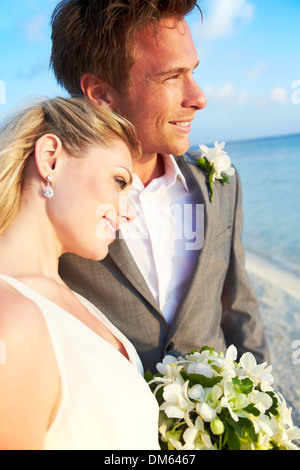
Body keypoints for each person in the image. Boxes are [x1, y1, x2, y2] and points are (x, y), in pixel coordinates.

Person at [51, 0, 270, 373]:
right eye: (171, 77)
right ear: (101, 94)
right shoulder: (53, 196)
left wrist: (266, 405)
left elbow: (239, 306)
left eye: (193, 72)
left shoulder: (220, 181)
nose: (198, 98)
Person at [0, 97, 160, 450]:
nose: (128, 213)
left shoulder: (72, 299)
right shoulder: (11, 322)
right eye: (119, 181)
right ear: (50, 159)